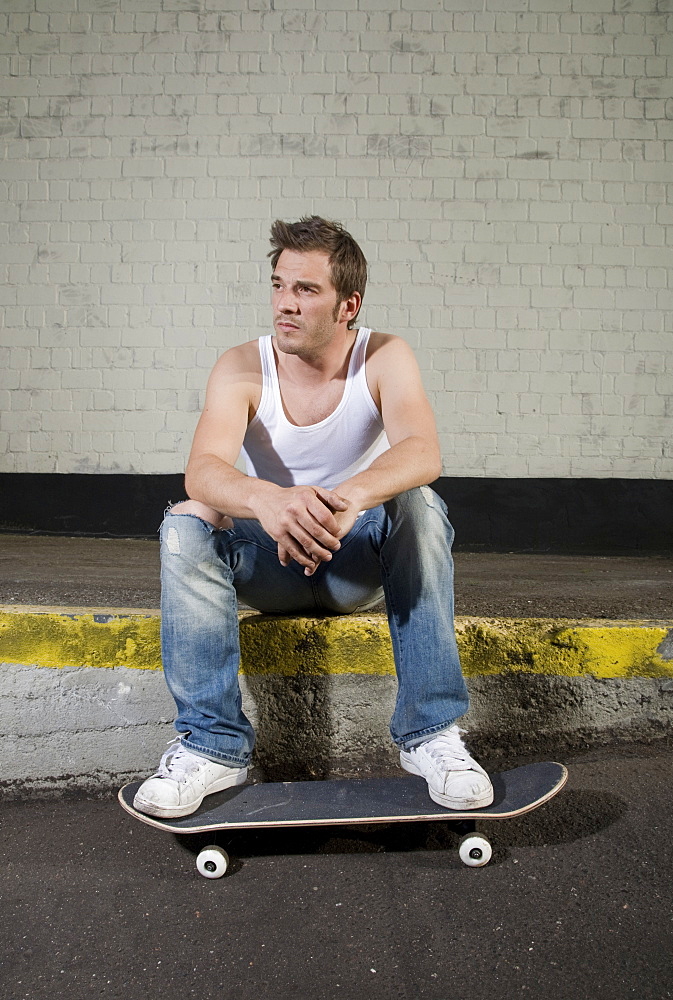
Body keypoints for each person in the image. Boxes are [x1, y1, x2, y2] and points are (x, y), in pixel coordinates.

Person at [133, 216, 493, 819]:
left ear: (348, 304)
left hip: (352, 559)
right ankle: (211, 747)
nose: (284, 305)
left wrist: (348, 497)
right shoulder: (242, 365)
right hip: (268, 563)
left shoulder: (384, 356)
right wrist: (270, 501)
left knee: (421, 504)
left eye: (305, 290)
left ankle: (432, 735)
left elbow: (422, 451)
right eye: (278, 285)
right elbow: (203, 471)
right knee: (187, 520)